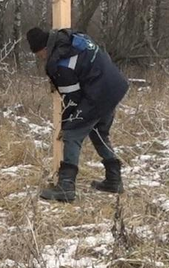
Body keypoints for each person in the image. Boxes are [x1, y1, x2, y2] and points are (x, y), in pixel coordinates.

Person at [26, 27, 129, 202]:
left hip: (99, 93)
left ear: (44, 48)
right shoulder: (73, 39)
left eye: (39, 54)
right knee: (98, 131)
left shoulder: (61, 65)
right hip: (114, 86)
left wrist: (66, 125)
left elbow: (72, 100)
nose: (41, 58)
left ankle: (66, 187)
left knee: (72, 133)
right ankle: (114, 180)